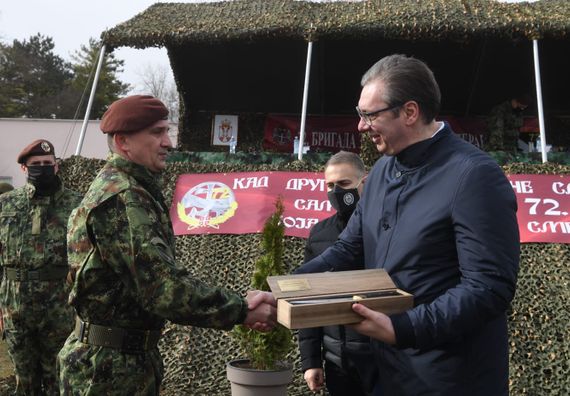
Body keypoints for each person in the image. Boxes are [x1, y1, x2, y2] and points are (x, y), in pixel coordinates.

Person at [297, 54, 520, 396]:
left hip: (450, 379)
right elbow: (348, 247)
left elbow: (489, 287)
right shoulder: (383, 173)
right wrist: (288, 287)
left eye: (370, 115)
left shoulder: (474, 176)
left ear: (410, 112)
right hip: (388, 374)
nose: (361, 126)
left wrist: (402, 328)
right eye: (360, 114)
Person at [57, 95, 277, 395]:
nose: (169, 142)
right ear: (123, 142)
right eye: (157, 132)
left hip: (121, 360)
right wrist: (241, 310)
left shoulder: (130, 189)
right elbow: (162, 289)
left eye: (167, 131)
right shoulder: (123, 198)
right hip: (109, 370)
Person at [0, 139, 82, 395]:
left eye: (48, 163)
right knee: (24, 380)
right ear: (24, 168)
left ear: (57, 167)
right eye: (36, 164)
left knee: (59, 377)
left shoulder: (77, 204)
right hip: (15, 307)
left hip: (60, 306)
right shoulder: (5, 204)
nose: (43, 168)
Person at [297, 151, 379, 395]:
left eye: (344, 184)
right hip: (338, 363)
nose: (336, 192)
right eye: (330, 185)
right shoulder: (319, 233)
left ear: (363, 182)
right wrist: (311, 361)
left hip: (383, 361)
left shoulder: (385, 229)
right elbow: (309, 301)